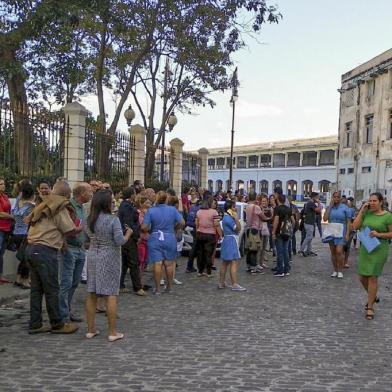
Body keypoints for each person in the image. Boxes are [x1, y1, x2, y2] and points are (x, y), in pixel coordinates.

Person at [26, 180, 80, 334]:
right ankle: (58, 324)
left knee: (36, 290)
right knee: (52, 289)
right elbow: (69, 229)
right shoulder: (59, 207)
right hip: (45, 250)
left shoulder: (43, 204)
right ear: (67, 195)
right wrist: (79, 228)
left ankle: (35, 324)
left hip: (31, 248)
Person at [84, 189, 133, 341]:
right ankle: (112, 332)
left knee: (92, 292)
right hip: (109, 256)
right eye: (111, 200)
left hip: (93, 255)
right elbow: (119, 241)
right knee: (111, 293)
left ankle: (90, 329)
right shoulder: (113, 220)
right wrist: (128, 234)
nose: (113, 203)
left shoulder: (89, 219)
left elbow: (87, 236)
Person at [352, 193, 392, 320]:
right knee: (362, 277)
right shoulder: (367, 213)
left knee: (373, 277)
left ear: (381, 202)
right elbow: (355, 226)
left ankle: (370, 307)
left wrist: (379, 234)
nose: (372, 203)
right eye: (370, 201)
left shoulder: (388, 216)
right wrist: (362, 211)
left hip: (380, 249)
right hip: (366, 248)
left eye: (375, 201)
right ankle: (373, 296)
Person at [59, 182, 92, 324]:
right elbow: (69, 229)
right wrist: (83, 227)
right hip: (69, 248)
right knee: (66, 283)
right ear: (82, 193)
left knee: (74, 282)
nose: (91, 194)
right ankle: (62, 315)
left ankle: (67, 310)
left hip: (80, 248)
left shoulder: (82, 208)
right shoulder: (69, 207)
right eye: (89, 191)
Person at [141, 191, 184, 295]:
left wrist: (148, 230)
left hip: (155, 237)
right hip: (169, 237)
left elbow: (144, 227)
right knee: (169, 264)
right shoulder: (173, 210)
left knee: (157, 263)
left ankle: (158, 289)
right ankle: (169, 287)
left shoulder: (151, 211)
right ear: (166, 199)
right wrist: (175, 228)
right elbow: (182, 222)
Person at [118, 186, 146, 296]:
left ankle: (120, 284)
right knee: (133, 261)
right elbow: (129, 222)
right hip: (129, 237)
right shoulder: (128, 206)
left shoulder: (125, 205)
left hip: (126, 236)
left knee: (125, 262)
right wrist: (135, 235)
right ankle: (137, 287)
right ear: (131, 195)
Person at [323, 191, 352, 279]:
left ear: (340, 198)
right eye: (334, 197)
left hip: (341, 231)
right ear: (332, 198)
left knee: (339, 251)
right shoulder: (329, 207)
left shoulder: (345, 208)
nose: (336, 198)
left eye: (338, 197)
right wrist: (330, 207)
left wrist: (347, 234)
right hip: (331, 231)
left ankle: (340, 270)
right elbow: (325, 219)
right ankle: (335, 270)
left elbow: (348, 222)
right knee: (333, 252)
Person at [11, 181, 35, 288]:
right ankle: (25, 280)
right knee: (26, 259)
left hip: (16, 233)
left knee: (22, 258)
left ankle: (18, 279)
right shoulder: (31, 206)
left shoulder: (17, 202)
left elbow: (13, 212)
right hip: (26, 234)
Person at [219, 199, 246, 291]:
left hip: (227, 240)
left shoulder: (225, 218)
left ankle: (221, 282)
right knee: (234, 262)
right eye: (234, 207)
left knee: (225, 262)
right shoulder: (229, 218)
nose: (235, 209)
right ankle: (234, 284)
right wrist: (236, 218)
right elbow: (238, 228)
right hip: (231, 240)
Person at [194, 197, 221, 277]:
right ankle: (208, 272)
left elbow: (196, 223)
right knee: (208, 254)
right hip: (210, 235)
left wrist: (197, 232)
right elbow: (216, 224)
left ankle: (200, 271)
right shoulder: (214, 212)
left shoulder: (199, 212)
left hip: (200, 234)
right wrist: (221, 234)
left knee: (200, 253)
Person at [272, 194, 294, 277]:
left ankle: (280, 270)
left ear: (278, 200)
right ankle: (287, 269)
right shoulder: (288, 209)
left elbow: (276, 221)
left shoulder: (277, 209)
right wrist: (291, 230)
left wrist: (273, 232)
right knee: (285, 251)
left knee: (280, 251)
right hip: (287, 233)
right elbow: (293, 221)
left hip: (279, 232)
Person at [245, 193, 265, 274]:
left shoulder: (247, 206)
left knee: (250, 249)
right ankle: (254, 268)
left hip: (249, 228)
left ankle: (248, 265)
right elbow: (262, 216)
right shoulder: (256, 207)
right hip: (255, 229)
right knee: (254, 249)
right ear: (255, 197)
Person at [299, 192, 322, 257]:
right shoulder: (310, 203)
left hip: (309, 222)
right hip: (309, 223)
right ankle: (302, 250)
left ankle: (308, 250)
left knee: (310, 237)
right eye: (317, 197)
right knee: (309, 237)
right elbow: (318, 210)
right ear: (314, 197)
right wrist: (319, 203)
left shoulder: (311, 203)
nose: (318, 198)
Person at [0, 177, 13, 283]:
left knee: (1, 253)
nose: (3, 185)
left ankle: (1, 276)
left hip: (6, 228)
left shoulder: (5, 196)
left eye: (3, 183)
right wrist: (12, 217)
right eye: (1, 184)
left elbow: (9, 209)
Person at [287, 196, 300, 260]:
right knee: (291, 238)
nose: (289, 201)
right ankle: (291, 250)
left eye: (290, 199)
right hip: (289, 224)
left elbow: (297, 215)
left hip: (293, 224)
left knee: (293, 237)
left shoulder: (294, 207)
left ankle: (293, 250)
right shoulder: (288, 207)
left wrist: (297, 221)